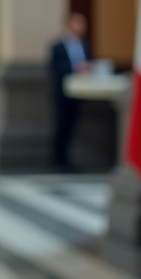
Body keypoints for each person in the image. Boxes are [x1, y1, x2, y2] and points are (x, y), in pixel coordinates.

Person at [50, 12, 92, 169]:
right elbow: (54, 68)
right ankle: (58, 159)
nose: (81, 27)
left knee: (72, 126)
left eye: (82, 24)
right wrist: (74, 68)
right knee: (61, 126)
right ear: (69, 24)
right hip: (62, 94)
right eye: (78, 23)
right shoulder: (58, 46)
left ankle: (67, 159)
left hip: (78, 92)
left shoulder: (84, 45)